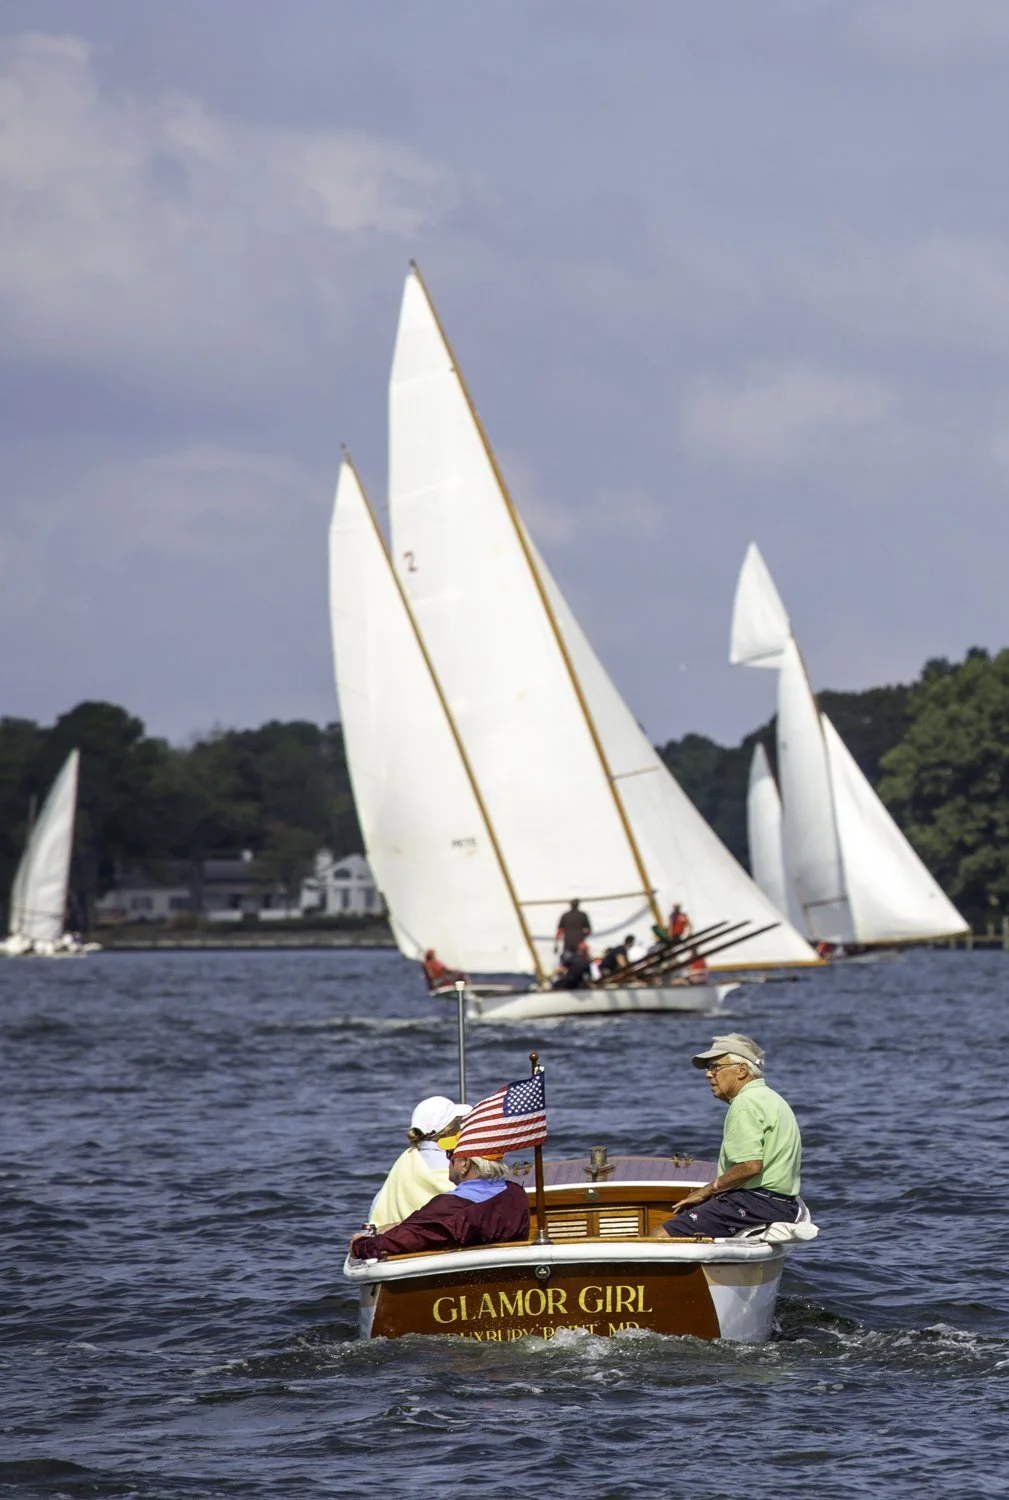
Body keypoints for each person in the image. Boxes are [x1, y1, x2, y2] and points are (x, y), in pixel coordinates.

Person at [655, 1033, 802, 1240]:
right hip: (782, 1204)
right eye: (708, 1068)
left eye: (715, 1067)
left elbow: (750, 1166)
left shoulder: (745, 1103)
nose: (708, 1074)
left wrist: (708, 1190)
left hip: (756, 1202)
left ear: (742, 1070)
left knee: (660, 1235)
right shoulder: (772, 1099)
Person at [350, 1146, 530, 1259]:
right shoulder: (515, 1193)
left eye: (450, 1154)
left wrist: (361, 1244)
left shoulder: (451, 1207)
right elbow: (430, 1228)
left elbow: (399, 1241)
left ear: (465, 1164)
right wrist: (402, 1226)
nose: (448, 1162)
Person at [367, 1096, 469, 1228]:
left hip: (388, 1237)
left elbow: (377, 1205)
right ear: (449, 1131)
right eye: (458, 1124)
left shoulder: (407, 1157)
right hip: (430, 1239)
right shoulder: (450, 1164)